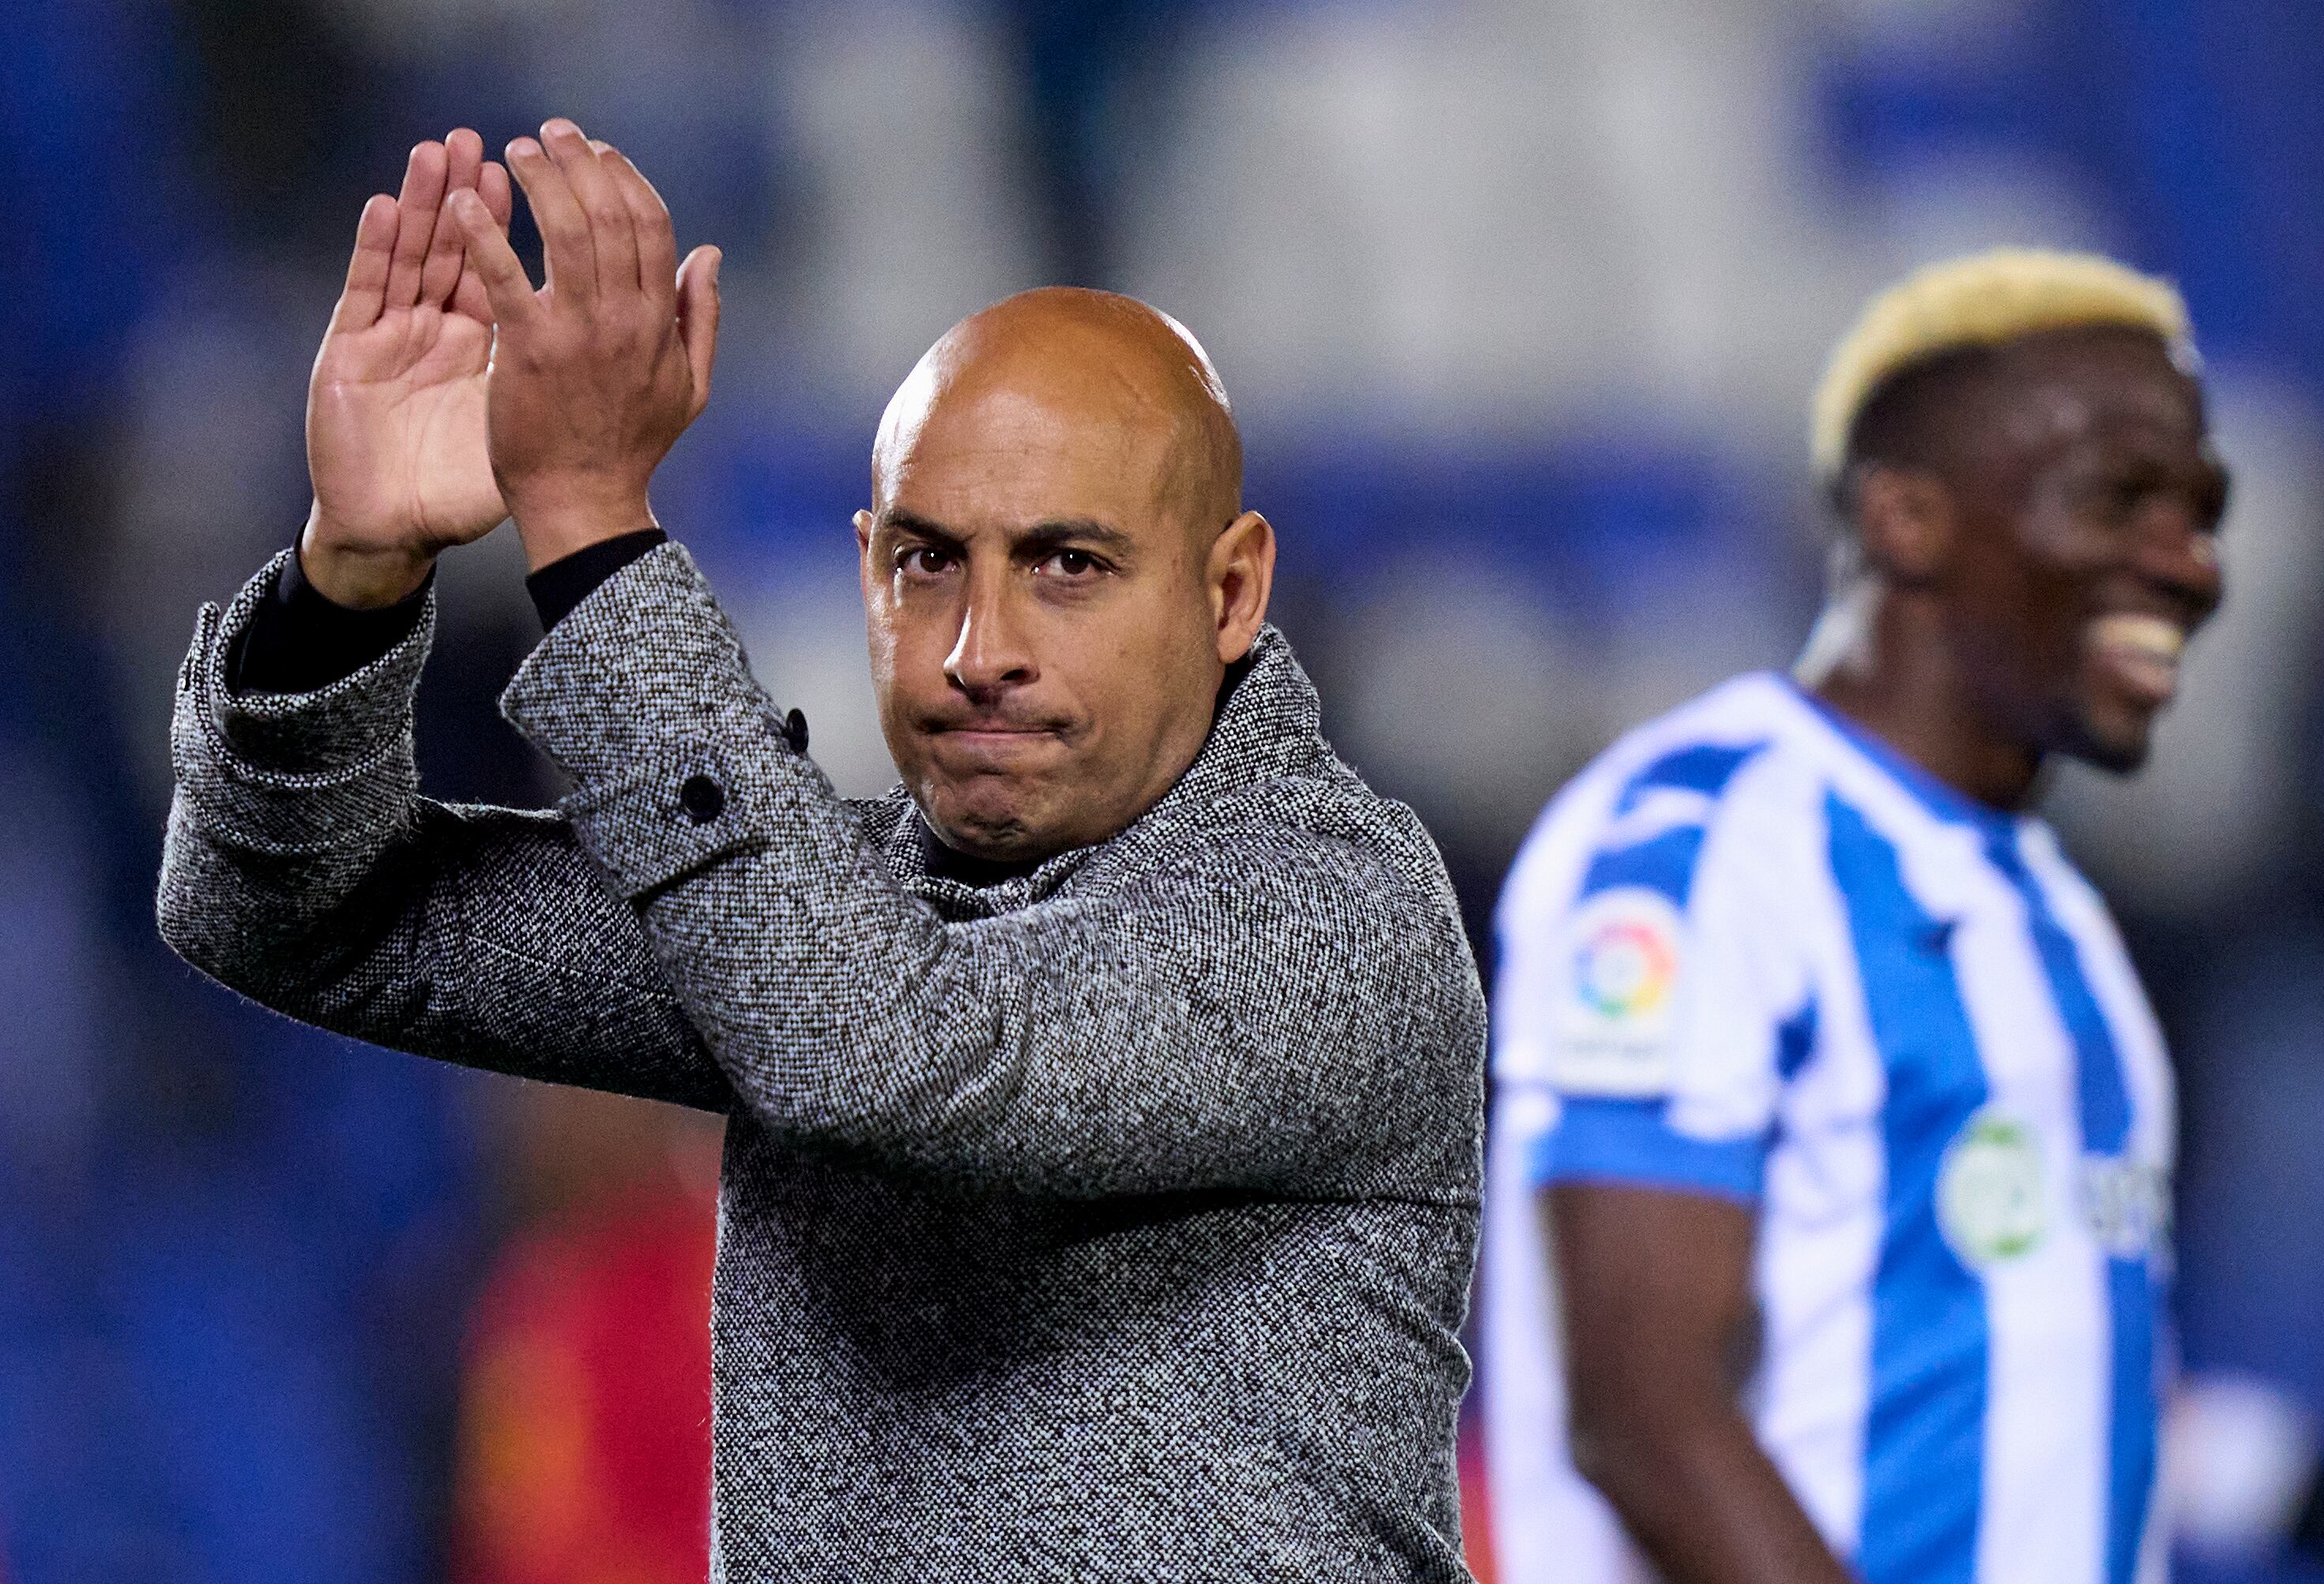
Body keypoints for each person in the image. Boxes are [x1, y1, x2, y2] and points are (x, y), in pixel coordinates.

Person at [156, 123, 1487, 1582]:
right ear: (866, 574)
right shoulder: (819, 926)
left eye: (1068, 565)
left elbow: (884, 1049)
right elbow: (293, 915)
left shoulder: (1332, 914)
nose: (982, 652)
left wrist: (596, 530)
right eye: (928, 564)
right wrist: (348, 587)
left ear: (1231, 590)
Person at [1478, 250, 2228, 1584]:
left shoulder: (2055, 911)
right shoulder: (1705, 845)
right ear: (1908, 520)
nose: (2190, 565)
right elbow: (1644, 1414)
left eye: (2200, 511)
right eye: (2122, 499)